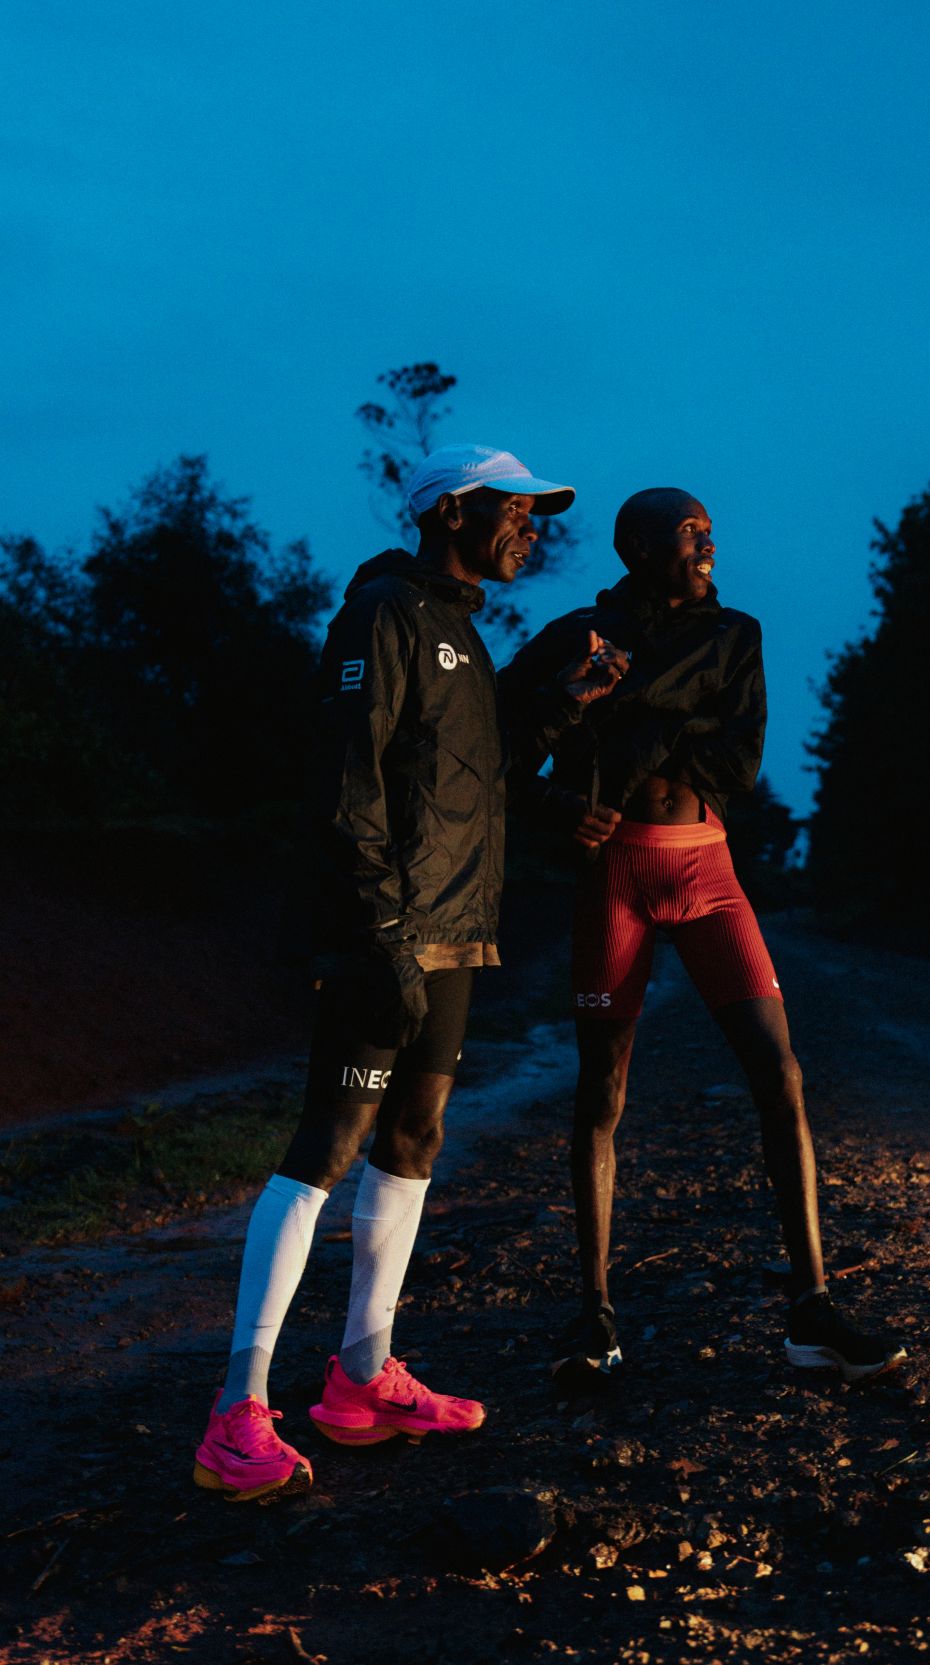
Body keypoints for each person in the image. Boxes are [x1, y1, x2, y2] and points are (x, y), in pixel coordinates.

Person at [194, 445, 622, 1503]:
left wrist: (562, 707)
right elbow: (352, 784)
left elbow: (477, 776)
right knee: (328, 1144)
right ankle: (234, 1412)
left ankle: (358, 1379)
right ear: (454, 511)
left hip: (452, 930)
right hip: (385, 929)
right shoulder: (382, 615)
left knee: (415, 1137)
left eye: (535, 516)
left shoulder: (462, 633)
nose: (533, 530)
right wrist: (381, 933)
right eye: (517, 512)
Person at [500, 487, 907, 1389]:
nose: (709, 548)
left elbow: (740, 764)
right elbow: (503, 743)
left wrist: (631, 716)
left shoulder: (736, 636)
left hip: (708, 873)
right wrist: (559, 797)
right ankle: (596, 1315)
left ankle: (812, 1309)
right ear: (640, 546)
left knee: (782, 1073)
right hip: (617, 878)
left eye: (712, 535)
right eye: (690, 535)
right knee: (601, 1090)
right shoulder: (580, 637)